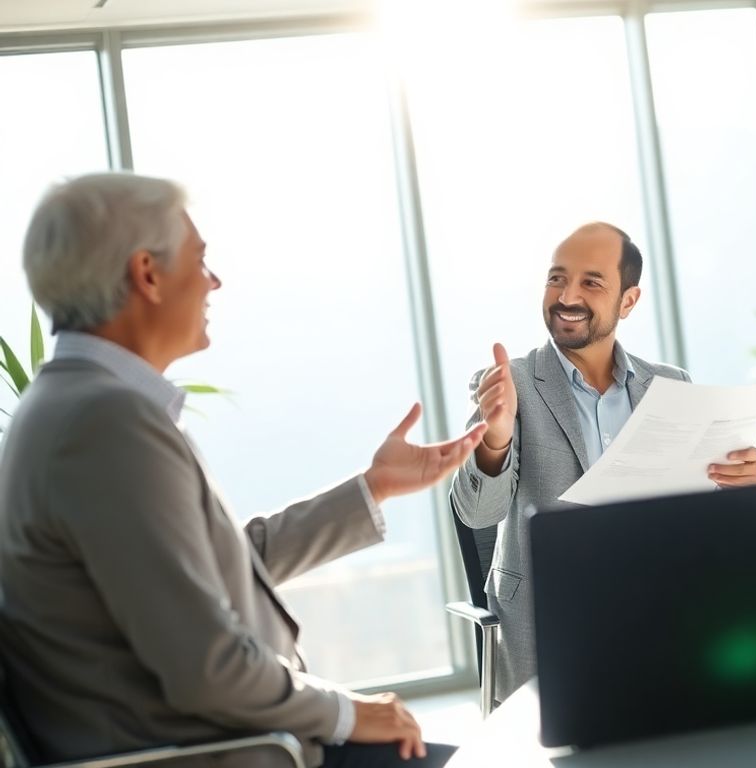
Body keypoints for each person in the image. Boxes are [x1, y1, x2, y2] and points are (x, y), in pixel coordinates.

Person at [0, 173, 489, 767]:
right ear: (147, 274)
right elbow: (207, 666)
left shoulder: (66, 408)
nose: (214, 281)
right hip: (231, 753)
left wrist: (374, 488)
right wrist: (349, 711)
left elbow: (217, 565)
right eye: (200, 260)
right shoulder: (104, 425)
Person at [451, 222, 756, 701]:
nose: (566, 296)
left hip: (666, 614)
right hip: (555, 626)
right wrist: (492, 439)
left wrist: (748, 480)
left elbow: (706, 516)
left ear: (629, 301)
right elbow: (477, 513)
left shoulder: (671, 384)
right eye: (556, 278)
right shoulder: (509, 384)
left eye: (590, 282)